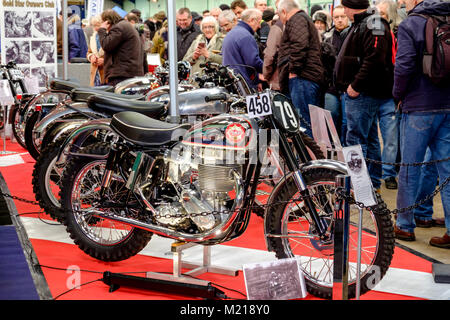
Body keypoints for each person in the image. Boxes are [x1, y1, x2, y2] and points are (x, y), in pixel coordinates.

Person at [393, 0, 450, 248]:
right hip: (447, 104)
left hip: (418, 105)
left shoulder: (410, 24)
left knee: (410, 168)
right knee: (447, 172)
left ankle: (404, 225)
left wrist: (397, 94)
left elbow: (403, 66)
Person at [334, 0, 395, 191]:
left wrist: (355, 85)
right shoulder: (365, 23)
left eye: (344, 7)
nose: (343, 11)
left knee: (356, 142)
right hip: (362, 93)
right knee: (368, 140)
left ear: (351, 6)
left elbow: (374, 58)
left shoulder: (373, 23)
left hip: (363, 94)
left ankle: (359, 187)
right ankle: (370, 185)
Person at [277, 0, 324, 138]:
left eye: (279, 15)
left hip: (303, 78)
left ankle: (307, 157)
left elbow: (299, 45)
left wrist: (293, 71)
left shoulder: (296, 19)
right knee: (307, 122)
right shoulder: (302, 19)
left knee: (304, 123)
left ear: (284, 12)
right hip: (306, 77)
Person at [322, 5, 350, 143]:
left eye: (342, 16)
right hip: (331, 87)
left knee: (346, 122)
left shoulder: (353, 35)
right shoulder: (327, 38)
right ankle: (334, 147)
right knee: (331, 116)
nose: (339, 20)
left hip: (349, 87)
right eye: (336, 17)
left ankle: (346, 149)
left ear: (347, 17)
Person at [98, 9, 146, 86]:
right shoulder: (126, 26)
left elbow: (106, 45)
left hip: (122, 75)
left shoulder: (118, 28)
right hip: (130, 73)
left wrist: (102, 30)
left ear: (107, 21)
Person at [222, 8, 263, 90]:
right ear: (251, 20)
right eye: (259, 22)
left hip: (232, 83)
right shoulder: (246, 36)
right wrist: (268, 70)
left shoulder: (232, 33)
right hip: (243, 85)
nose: (259, 26)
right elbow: (252, 62)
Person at [263, 0, 283, 91]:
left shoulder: (277, 27)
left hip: (279, 80)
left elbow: (270, 55)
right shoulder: (305, 22)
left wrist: (266, 75)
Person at [86, 15, 105, 86]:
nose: (96, 28)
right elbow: (88, 52)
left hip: (105, 72)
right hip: (94, 72)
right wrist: (91, 57)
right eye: (94, 26)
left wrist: (104, 60)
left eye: (98, 25)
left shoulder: (109, 36)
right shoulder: (93, 37)